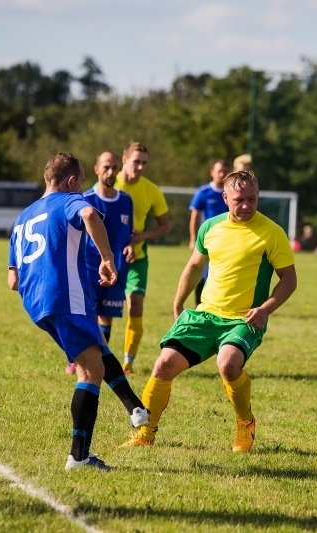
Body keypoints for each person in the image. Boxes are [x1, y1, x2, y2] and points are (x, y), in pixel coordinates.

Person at [122, 169, 297, 453]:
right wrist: (179, 303)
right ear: (225, 198)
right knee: (163, 364)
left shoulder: (271, 233)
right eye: (239, 200)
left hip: (243, 318)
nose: (247, 206)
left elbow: (289, 279)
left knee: (228, 364)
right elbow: (194, 267)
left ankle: (245, 422)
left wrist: (265, 309)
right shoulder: (211, 227)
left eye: (252, 199)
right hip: (205, 314)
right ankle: (146, 433)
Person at [8, 152, 119, 471]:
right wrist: (107, 257)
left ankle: (84, 452)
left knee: (93, 364)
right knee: (91, 372)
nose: (82, 188)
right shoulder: (67, 201)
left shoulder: (24, 216)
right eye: (81, 182)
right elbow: (90, 215)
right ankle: (79, 457)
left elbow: (12, 279)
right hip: (62, 296)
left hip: (36, 303)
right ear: (71, 182)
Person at [75, 151, 148, 427]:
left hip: (117, 270)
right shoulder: (86, 200)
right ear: (96, 169)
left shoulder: (125, 201)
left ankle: (95, 359)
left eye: (115, 168)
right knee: (87, 316)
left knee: (105, 318)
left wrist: (128, 248)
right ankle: (82, 359)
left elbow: (125, 234)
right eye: (107, 167)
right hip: (89, 269)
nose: (111, 172)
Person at [114, 141, 171, 375]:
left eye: (144, 163)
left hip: (137, 259)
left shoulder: (151, 190)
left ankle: (127, 364)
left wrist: (142, 236)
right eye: (136, 161)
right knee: (101, 312)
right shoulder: (110, 184)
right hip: (109, 258)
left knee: (135, 307)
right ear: (124, 159)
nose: (140, 167)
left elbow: (165, 226)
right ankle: (90, 358)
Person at [188, 159, 229, 306]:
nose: (221, 174)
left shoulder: (230, 193)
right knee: (202, 274)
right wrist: (193, 239)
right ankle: (199, 305)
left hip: (227, 242)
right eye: (219, 171)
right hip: (207, 241)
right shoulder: (204, 192)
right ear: (212, 172)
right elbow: (194, 218)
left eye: (224, 171)